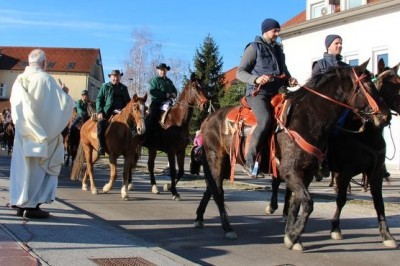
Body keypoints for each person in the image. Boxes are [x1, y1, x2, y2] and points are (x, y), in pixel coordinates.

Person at [9, 49, 75, 218]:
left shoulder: (19, 80)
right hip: (41, 135)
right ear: (44, 63)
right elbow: (63, 105)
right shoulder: (46, 79)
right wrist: (65, 93)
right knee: (38, 170)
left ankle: (20, 203)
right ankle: (31, 207)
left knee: (22, 170)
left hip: (23, 134)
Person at [236, 18, 297, 177]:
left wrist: (290, 79)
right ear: (265, 31)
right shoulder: (253, 48)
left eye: (278, 31)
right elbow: (240, 72)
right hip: (257, 93)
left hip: (278, 92)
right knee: (265, 120)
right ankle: (249, 161)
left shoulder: (279, 49)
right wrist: (256, 79)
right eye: (274, 31)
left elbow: (284, 71)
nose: (277, 33)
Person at [312, 34, 350, 180]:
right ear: (328, 46)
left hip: (344, 108)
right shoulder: (319, 65)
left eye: (341, 43)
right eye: (336, 43)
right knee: (329, 131)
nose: (339, 46)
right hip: (325, 108)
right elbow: (314, 87)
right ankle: (322, 162)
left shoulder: (346, 67)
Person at [96, 70, 131, 155]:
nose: (116, 78)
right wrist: (100, 111)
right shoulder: (105, 87)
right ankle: (101, 146)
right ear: (110, 77)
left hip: (122, 112)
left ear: (120, 77)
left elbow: (129, 102)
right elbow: (99, 99)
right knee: (100, 125)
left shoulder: (124, 88)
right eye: (114, 76)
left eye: (118, 76)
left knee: (134, 125)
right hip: (108, 112)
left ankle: (132, 145)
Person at [145, 63, 177, 144]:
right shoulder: (155, 80)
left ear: (166, 71)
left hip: (169, 102)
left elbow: (175, 90)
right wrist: (164, 94)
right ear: (158, 71)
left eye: (164, 70)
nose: (163, 72)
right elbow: (152, 91)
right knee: (152, 116)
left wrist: (174, 94)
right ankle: (146, 136)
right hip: (157, 102)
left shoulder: (169, 81)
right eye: (161, 70)